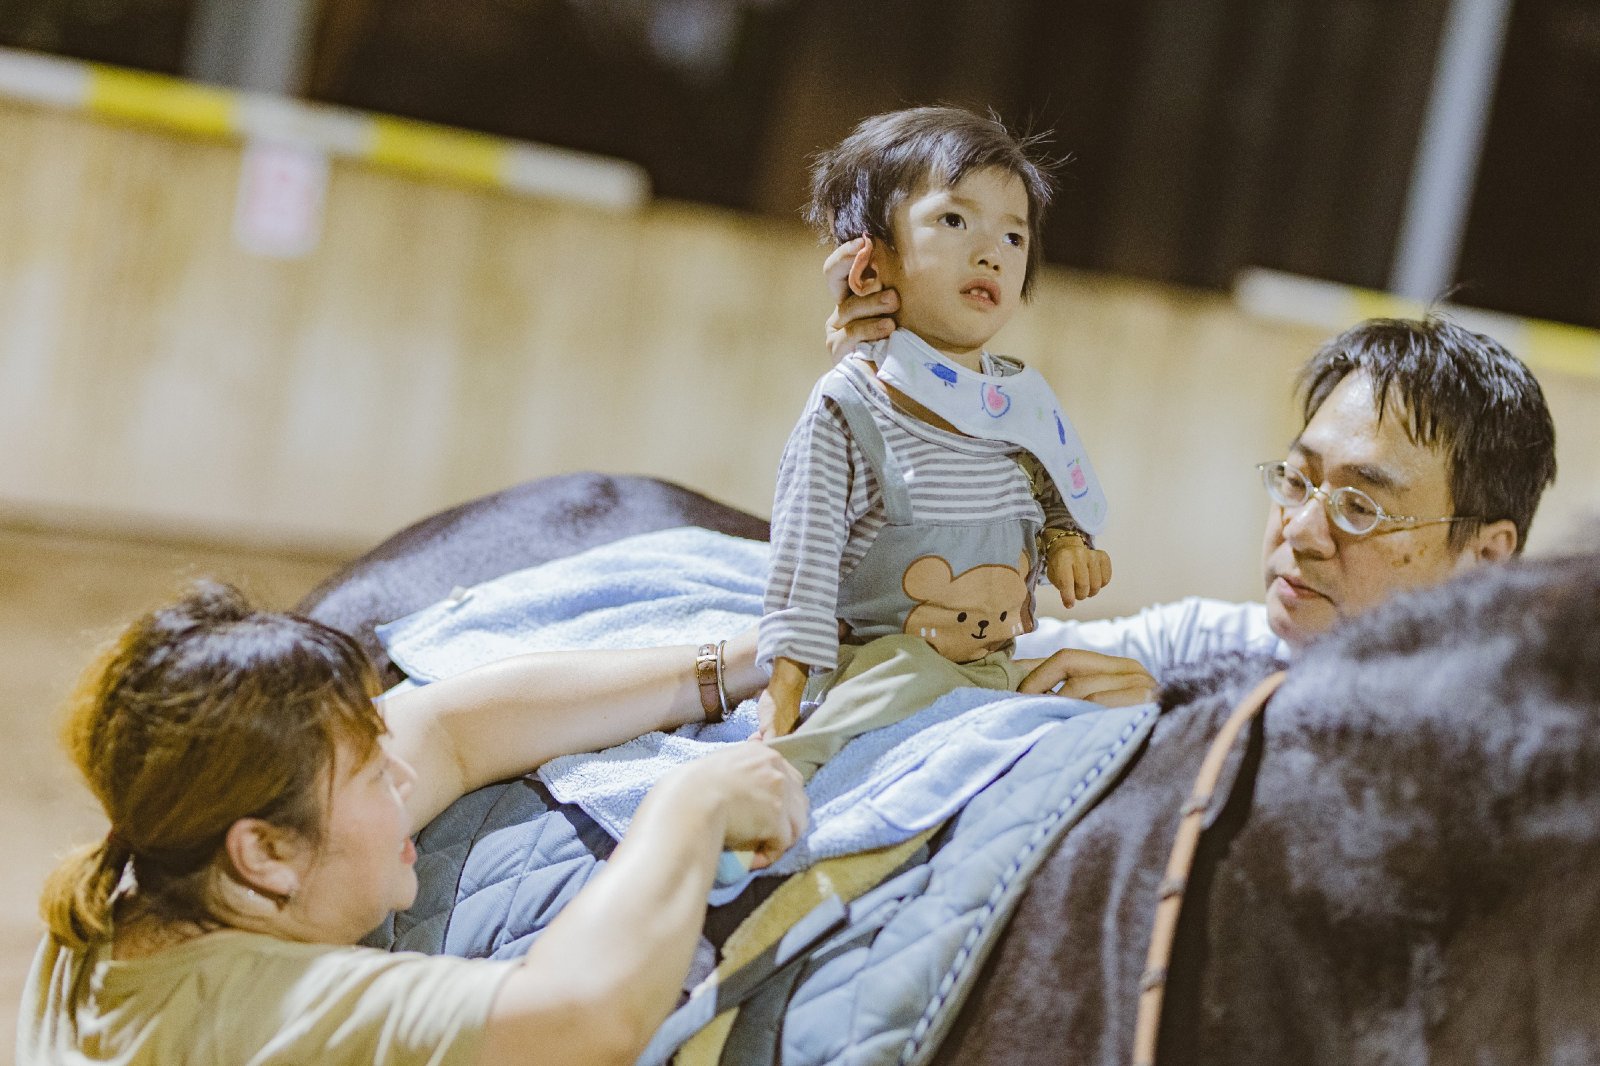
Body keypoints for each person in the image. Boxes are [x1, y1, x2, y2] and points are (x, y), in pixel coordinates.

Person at [20, 581, 807, 1066]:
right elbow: (582, 1017)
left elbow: (450, 730)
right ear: (261, 852)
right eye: (370, 775)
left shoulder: (153, 864)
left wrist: (730, 665)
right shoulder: (254, 1014)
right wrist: (689, 805)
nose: (400, 775)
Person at [828, 289, 1559, 683]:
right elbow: (972, 649)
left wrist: (1168, 736)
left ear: (1485, 558)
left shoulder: (1499, 760)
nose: (1301, 531)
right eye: (1297, 481)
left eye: (1360, 506)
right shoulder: (1218, 647)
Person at [756, 107, 1114, 776]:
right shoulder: (850, 406)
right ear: (865, 260)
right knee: (901, 671)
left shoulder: (1020, 402)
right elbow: (802, 573)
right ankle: (777, 780)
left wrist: (1068, 543)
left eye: (1014, 235)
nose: (991, 252)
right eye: (954, 220)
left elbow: (1051, 496)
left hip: (995, 670)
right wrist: (779, 711)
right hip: (880, 669)